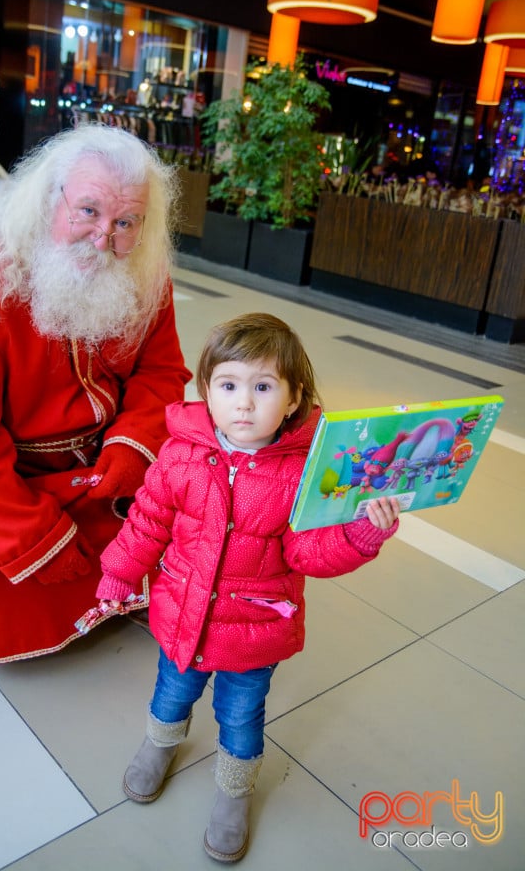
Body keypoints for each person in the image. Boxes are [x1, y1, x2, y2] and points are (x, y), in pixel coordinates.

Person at [93, 313, 400, 863]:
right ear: (205, 392)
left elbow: (307, 552)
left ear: (293, 398)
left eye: (263, 387)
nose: (244, 403)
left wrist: (360, 533)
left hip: (256, 630)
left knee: (241, 715)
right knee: (172, 692)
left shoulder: (306, 473)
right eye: (228, 385)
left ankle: (234, 792)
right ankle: (160, 745)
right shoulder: (180, 455)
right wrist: (119, 569)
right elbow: (148, 520)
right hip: (182, 617)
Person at [0, 124, 191, 663]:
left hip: (105, 459)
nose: (105, 237)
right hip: (3, 473)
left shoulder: (148, 273)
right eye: (88, 211)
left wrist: (132, 446)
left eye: (126, 222)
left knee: (211, 481)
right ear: (48, 198)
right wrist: (31, 536)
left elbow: (162, 373)